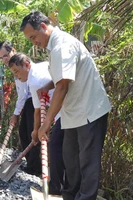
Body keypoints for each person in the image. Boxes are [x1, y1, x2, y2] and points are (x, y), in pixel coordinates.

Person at [20, 11, 111, 200]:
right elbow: (60, 77)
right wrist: (46, 87)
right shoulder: (53, 46)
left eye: (33, 37)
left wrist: (45, 126)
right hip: (73, 112)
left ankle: (85, 197)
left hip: (89, 110)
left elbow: (62, 86)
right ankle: (69, 196)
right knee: (71, 160)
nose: (33, 42)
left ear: (44, 27)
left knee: (87, 161)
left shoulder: (62, 45)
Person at [8, 53, 65, 195]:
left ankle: (55, 190)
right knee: (63, 149)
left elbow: (37, 111)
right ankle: (62, 187)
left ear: (27, 65)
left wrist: (35, 131)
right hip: (66, 111)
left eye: (16, 71)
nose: (16, 76)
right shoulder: (44, 65)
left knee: (55, 148)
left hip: (63, 114)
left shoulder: (33, 81)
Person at [0, 42, 41, 176]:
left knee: (32, 133)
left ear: (13, 50)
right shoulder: (14, 69)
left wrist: (15, 114)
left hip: (35, 101)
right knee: (23, 134)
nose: (4, 60)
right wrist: (16, 114)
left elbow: (24, 94)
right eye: (1, 58)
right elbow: (22, 95)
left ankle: (35, 168)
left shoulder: (22, 66)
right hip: (28, 102)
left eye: (6, 55)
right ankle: (31, 165)